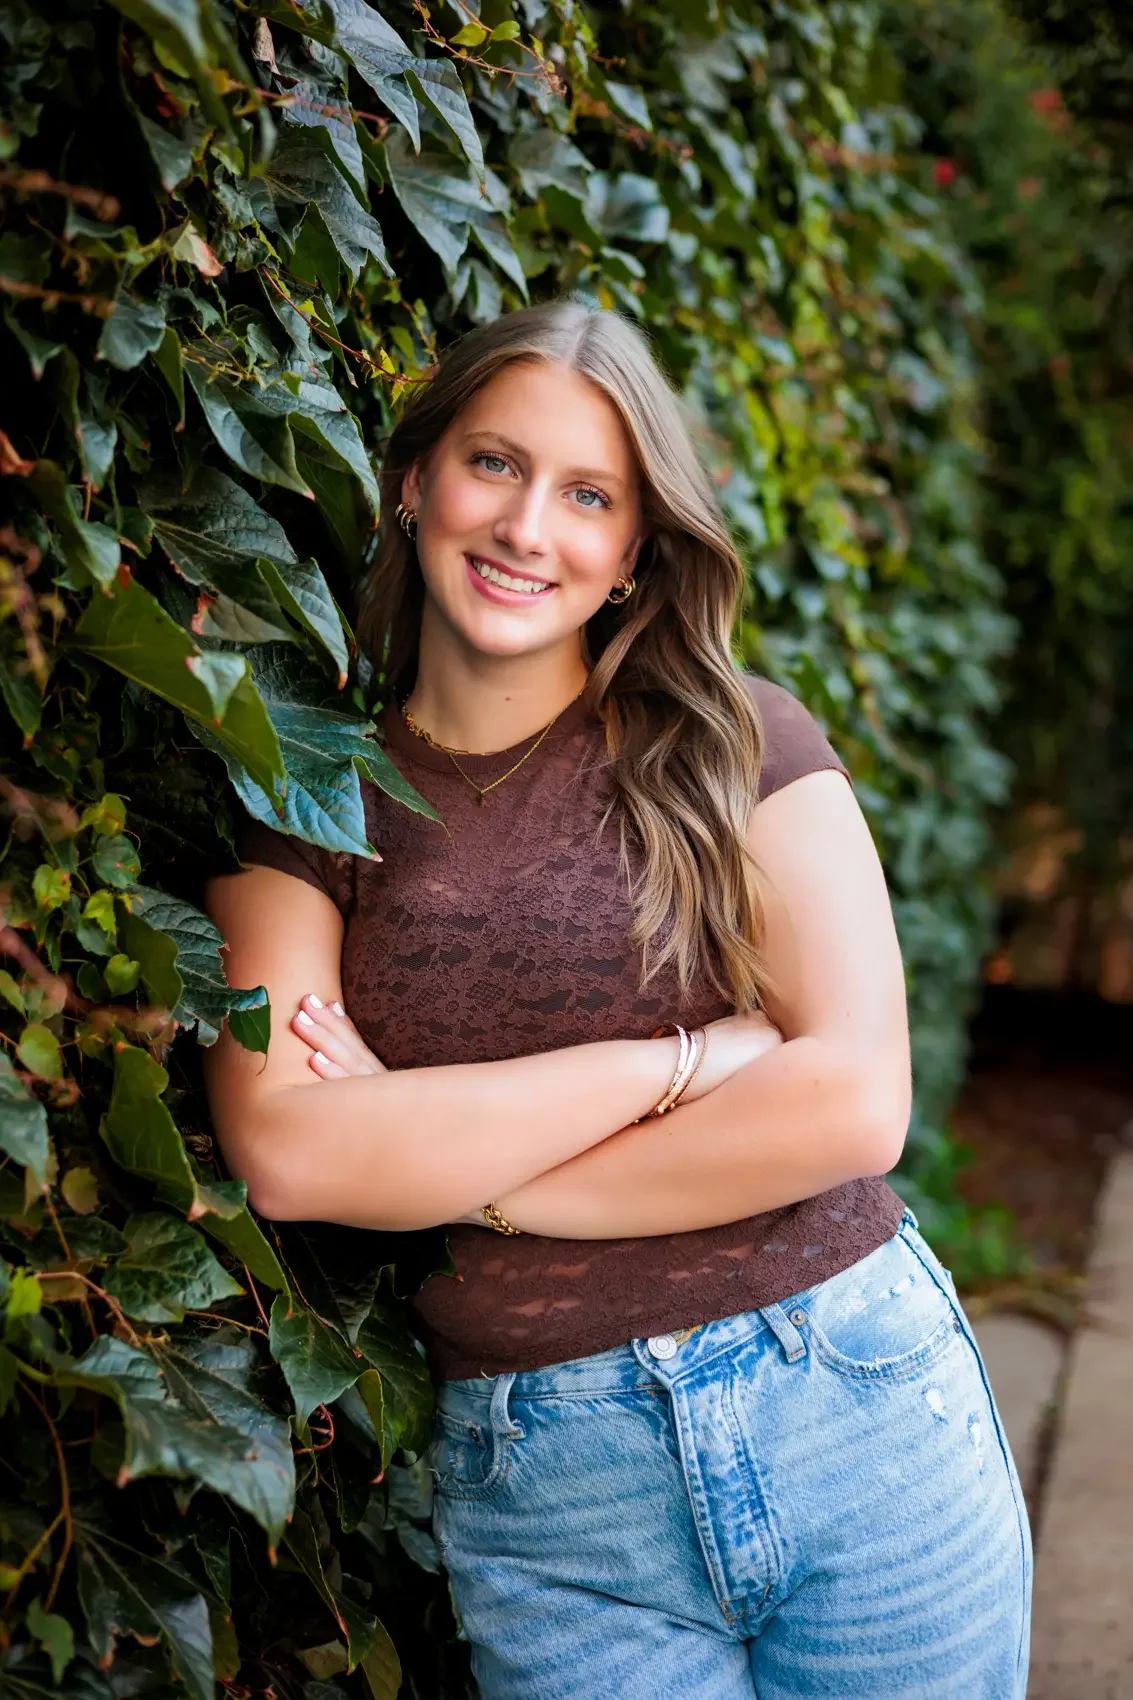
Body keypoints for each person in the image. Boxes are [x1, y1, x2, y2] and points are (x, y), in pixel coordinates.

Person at [203, 300, 1032, 1699]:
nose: (531, 528)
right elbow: (290, 1150)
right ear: (413, 481)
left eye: (590, 494)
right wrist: (693, 1060)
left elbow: (850, 1103)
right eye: (495, 464)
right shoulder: (312, 798)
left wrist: (452, 1169)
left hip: (850, 1396)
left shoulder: (737, 740)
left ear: (638, 544)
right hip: (555, 1502)